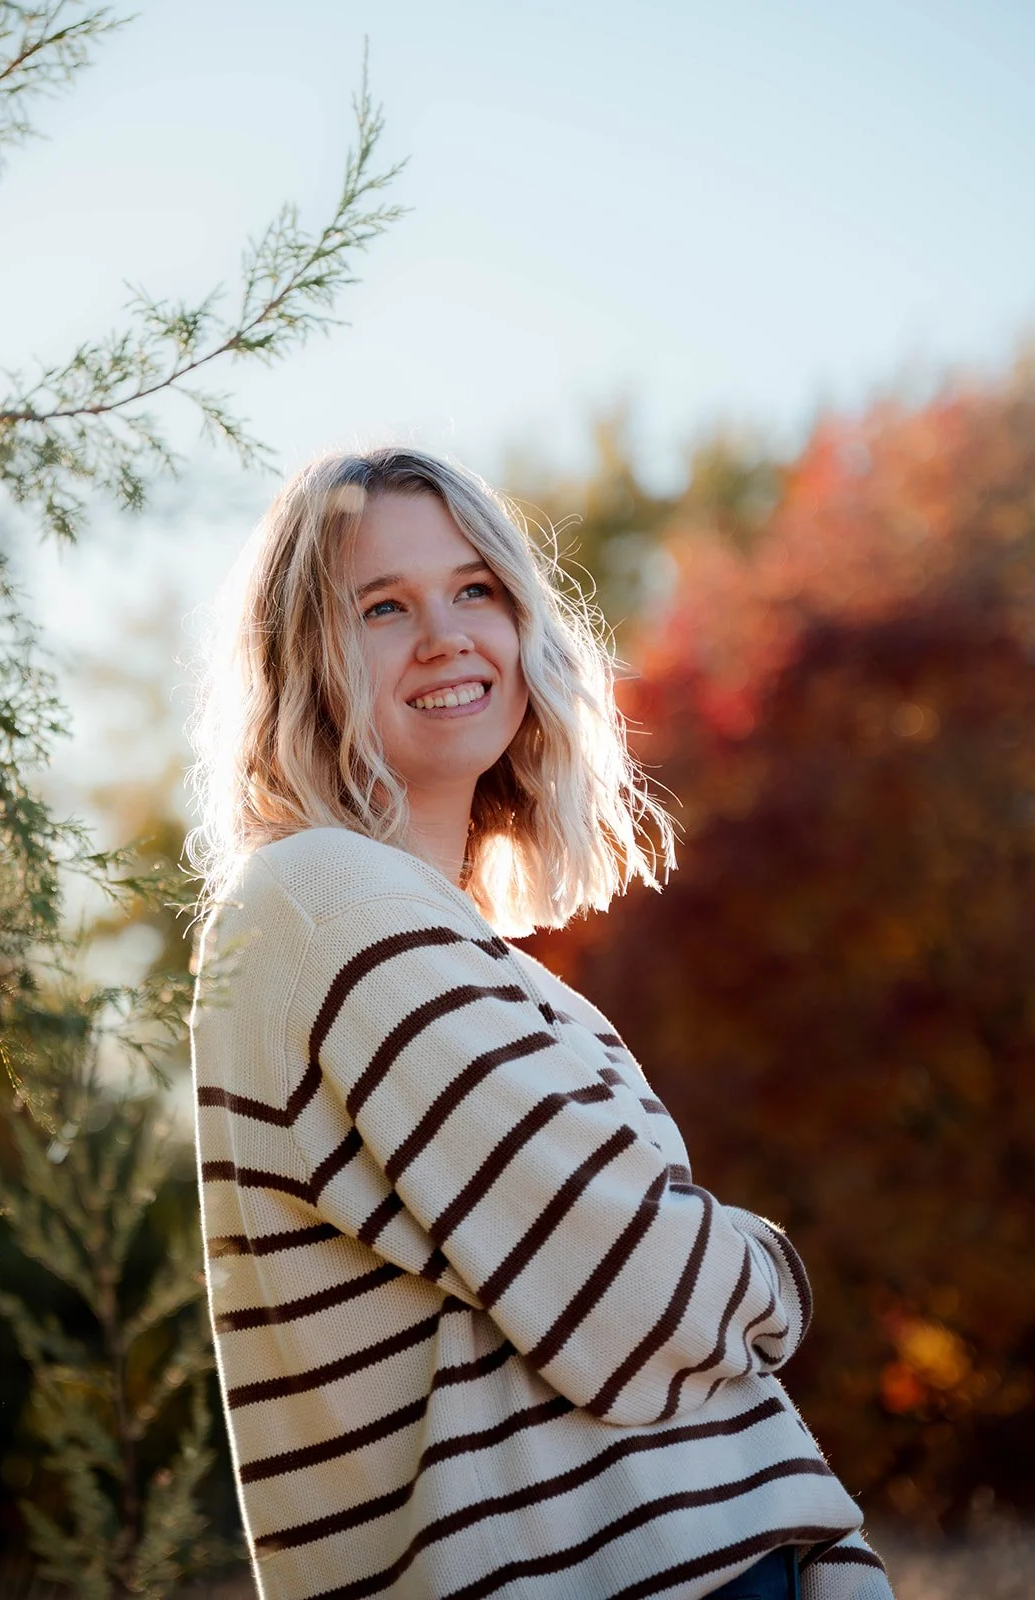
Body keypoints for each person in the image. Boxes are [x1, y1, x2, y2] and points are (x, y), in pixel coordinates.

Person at [186, 447, 894, 1600]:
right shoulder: (325, 897)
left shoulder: (453, 944)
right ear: (303, 659)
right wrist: (771, 1270)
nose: (447, 635)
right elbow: (636, 1295)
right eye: (382, 607)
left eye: (476, 589)